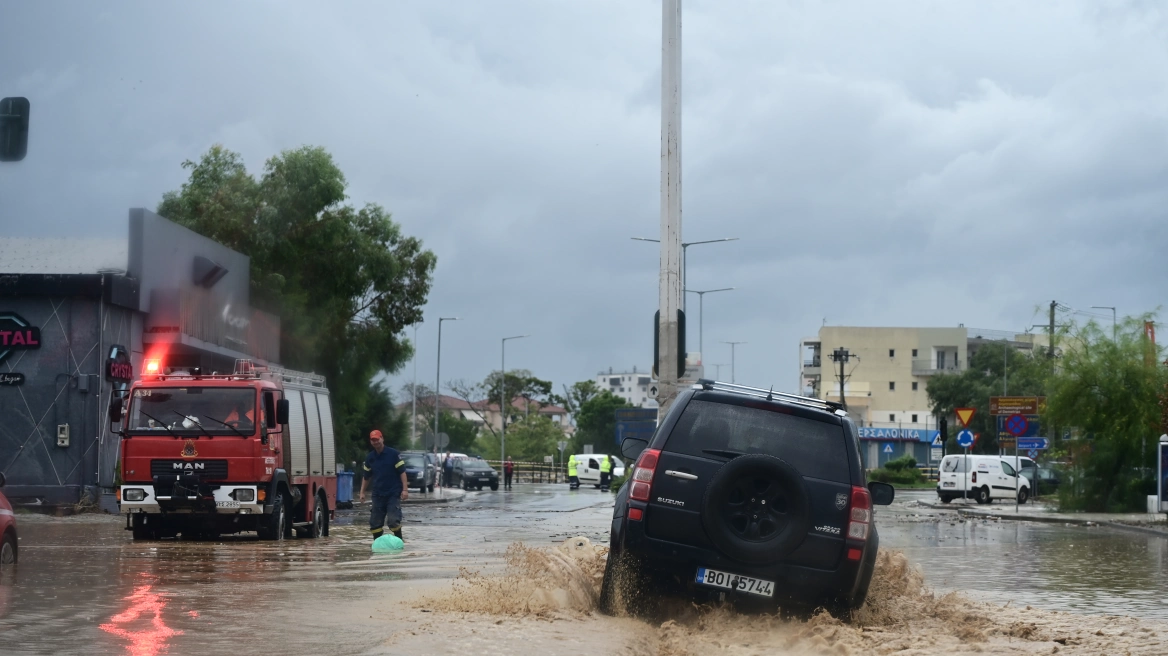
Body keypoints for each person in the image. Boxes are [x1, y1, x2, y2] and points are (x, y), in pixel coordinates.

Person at [358, 429, 408, 541]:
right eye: (373, 440)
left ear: (382, 439)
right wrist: (362, 492)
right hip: (378, 494)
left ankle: (400, 541)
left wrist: (405, 490)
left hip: (393, 493)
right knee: (375, 523)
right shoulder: (370, 457)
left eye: (377, 439)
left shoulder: (394, 454)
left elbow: (402, 472)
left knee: (393, 520)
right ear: (371, 442)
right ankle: (377, 545)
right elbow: (366, 476)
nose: (376, 442)